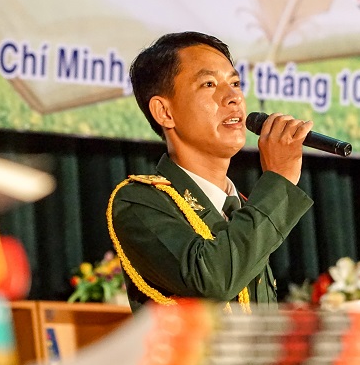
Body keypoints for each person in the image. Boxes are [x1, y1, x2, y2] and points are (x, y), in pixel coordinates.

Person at [107, 31, 314, 313]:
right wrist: (278, 181)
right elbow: (211, 280)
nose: (233, 97)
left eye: (235, 83)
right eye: (209, 84)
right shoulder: (138, 200)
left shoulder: (243, 206)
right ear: (164, 112)